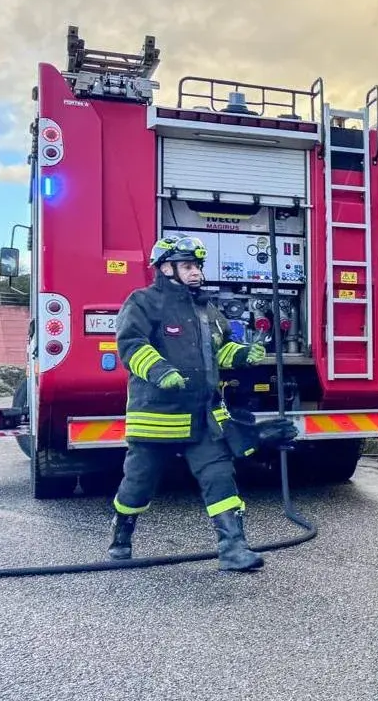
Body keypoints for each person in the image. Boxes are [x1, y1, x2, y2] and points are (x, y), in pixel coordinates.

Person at [107, 235, 270, 572]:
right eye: (187, 266)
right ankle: (121, 534)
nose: (196, 272)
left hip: (203, 416)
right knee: (138, 484)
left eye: (197, 266)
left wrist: (243, 355)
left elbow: (220, 350)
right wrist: (160, 371)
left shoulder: (206, 309)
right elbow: (131, 345)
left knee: (220, 476)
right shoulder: (142, 302)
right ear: (166, 269)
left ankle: (233, 549)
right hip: (157, 417)